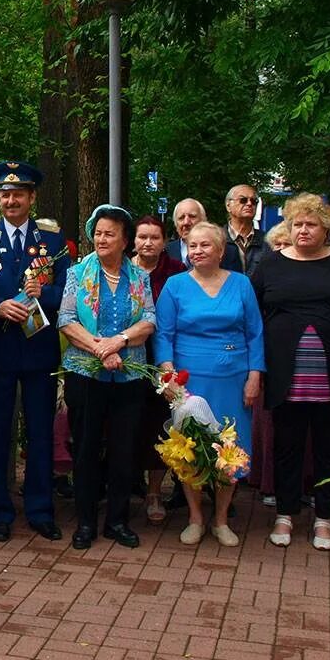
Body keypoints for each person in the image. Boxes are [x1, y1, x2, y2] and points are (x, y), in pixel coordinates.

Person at [249, 192, 330, 552]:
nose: (303, 230)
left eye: (311, 224)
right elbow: (250, 317)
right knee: (286, 446)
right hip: (285, 376)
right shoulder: (271, 265)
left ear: (326, 229)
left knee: (325, 448)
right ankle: (285, 514)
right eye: (297, 224)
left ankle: (324, 518)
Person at [0, 162, 71, 541]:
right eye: (5, 194)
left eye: (18, 194)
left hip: (39, 351)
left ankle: (41, 510)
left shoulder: (54, 244)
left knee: (40, 434)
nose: (11, 200)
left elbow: (68, 295)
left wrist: (47, 294)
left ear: (31, 198)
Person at [152, 222, 264, 547]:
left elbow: (255, 333)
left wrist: (255, 375)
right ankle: (195, 517)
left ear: (220, 250)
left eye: (206, 245)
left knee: (230, 448)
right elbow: (164, 334)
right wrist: (168, 373)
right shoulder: (175, 286)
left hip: (234, 377)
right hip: (190, 379)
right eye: (193, 245)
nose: (198, 251)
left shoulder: (241, 284)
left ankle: (220, 519)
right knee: (191, 448)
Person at [57, 205, 157, 550]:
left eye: (109, 233)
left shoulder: (139, 277)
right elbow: (67, 321)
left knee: (123, 450)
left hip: (129, 377)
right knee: (85, 449)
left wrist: (120, 341)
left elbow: (148, 321)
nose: (101, 238)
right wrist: (101, 349)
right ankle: (86, 522)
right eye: (98, 232)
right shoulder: (77, 273)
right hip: (85, 375)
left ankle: (117, 521)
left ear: (124, 240)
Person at [132, 215, 187, 524]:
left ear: (165, 241)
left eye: (154, 237)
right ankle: (125, 485)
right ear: (133, 240)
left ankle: (154, 492)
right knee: (127, 425)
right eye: (142, 237)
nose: (148, 243)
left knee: (158, 426)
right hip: (124, 359)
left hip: (161, 361)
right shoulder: (121, 270)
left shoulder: (178, 274)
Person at [168, 199, 241, 271]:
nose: (186, 222)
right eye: (181, 218)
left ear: (204, 220)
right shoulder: (166, 251)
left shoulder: (228, 251)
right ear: (176, 224)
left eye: (192, 216)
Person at [224, 184, 267, 275]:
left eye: (254, 201)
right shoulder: (217, 239)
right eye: (243, 200)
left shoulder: (268, 241)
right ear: (228, 206)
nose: (249, 204)